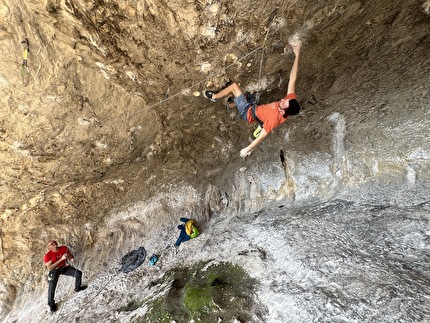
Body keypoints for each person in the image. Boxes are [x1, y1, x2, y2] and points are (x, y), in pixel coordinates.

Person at [204, 40, 302, 158]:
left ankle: (214, 97)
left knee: (234, 87)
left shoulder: (273, 119)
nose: (283, 99)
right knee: (248, 95)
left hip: (248, 112)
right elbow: (293, 79)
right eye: (286, 100)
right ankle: (231, 105)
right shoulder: (289, 103)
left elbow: (261, 138)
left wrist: (247, 149)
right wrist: (297, 53)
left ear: (282, 111)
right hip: (255, 106)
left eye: (284, 103)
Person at [43, 240, 87, 312]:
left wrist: (71, 258)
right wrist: (61, 259)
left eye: (54, 242)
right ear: (49, 247)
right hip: (55, 270)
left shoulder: (63, 248)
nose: (54, 243)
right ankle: (51, 304)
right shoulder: (48, 255)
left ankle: (77, 288)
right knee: (51, 286)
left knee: (78, 273)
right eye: (52, 244)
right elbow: (50, 267)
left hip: (64, 267)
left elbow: (69, 255)